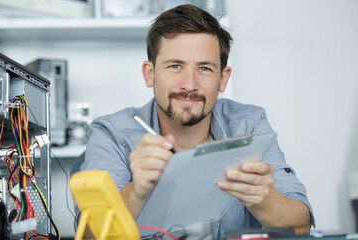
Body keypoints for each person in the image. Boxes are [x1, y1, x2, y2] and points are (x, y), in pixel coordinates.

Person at [80, 4, 314, 239]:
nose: (189, 84)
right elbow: (90, 235)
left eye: (204, 68)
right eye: (175, 66)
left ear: (223, 79)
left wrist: (263, 198)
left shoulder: (249, 124)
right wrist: (137, 192)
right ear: (149, 74)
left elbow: (301, 225)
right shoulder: (112, 133)